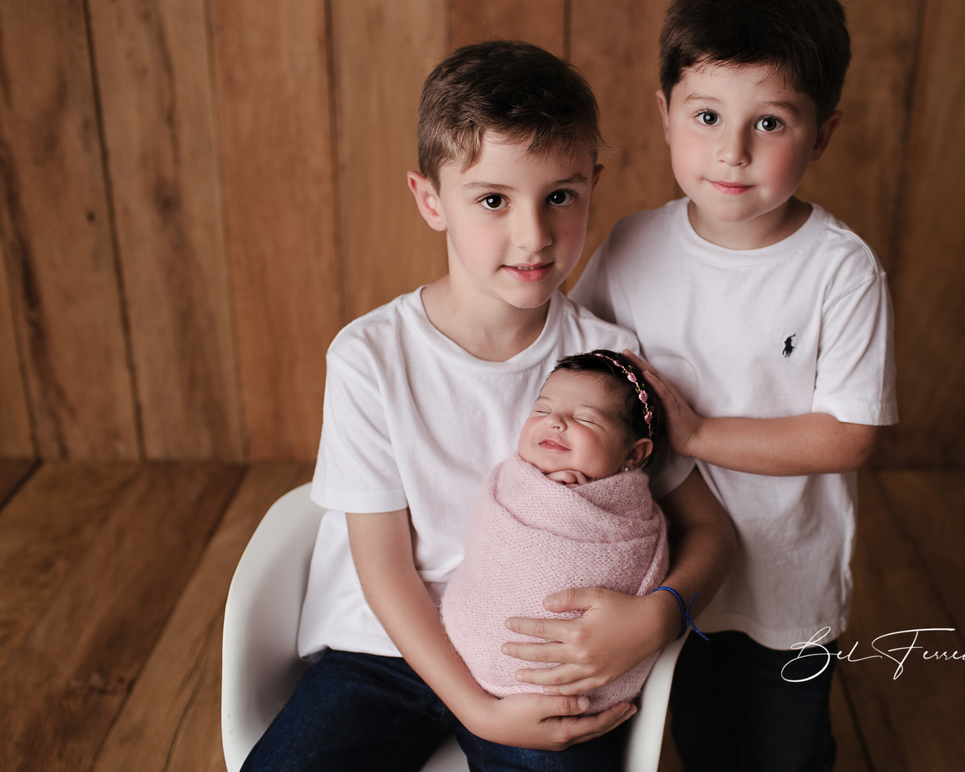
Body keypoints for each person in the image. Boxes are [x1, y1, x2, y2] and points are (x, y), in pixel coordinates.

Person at [241, 41, 734, 772]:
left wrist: (658, 617)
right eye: (493, 200)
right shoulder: (371, 356)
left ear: (592, 186)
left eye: (560, 196)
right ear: (431, 200)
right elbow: (384, 569)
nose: (533, 235)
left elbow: (712, 531)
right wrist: (476, 708)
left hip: (537, 655)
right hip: (387, 652)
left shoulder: (609, 361)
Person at [571, 0, 898, 770]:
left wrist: (699, 433)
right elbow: (580, 362)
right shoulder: (633, 246)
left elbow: (849, 434)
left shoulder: (838, 270)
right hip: (667, 566)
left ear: (822, 134)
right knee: (703, 735)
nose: (732, 151)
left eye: (770, 123)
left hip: (786, 578)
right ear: (665, 115)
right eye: (708, 116)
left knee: (786, 745)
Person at [441, 350, 670, 715]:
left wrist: (575, 500)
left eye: (585, 418)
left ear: (633, 454)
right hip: (453, 666)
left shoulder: (631, 516)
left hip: (569, 695)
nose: (555, 422)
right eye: (542, 410)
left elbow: (629, 571)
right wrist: (550, 495)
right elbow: (488, 554)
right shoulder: (510, 482)